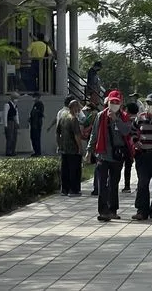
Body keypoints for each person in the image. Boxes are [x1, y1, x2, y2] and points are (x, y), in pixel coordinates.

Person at [85, 90, 134, 222]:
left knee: (114, 183)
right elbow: (94, 135)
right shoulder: (101, 116)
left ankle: (113, 209)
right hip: (102, 155)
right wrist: (89, 151)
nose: (114, 104)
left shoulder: (124, 117)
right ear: (108, 102)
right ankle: (103, 211)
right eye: (112, 102)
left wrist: (116, 119)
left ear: (121, 103)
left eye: (117, 102)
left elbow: (126, 131)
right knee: (102, 184)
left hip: (117, 156)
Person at [57, 100, 83, 196]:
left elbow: (57, 132)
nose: (79, 109)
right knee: (74, 170)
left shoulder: (62, 117)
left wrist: (59, 144)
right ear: (73, 107)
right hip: (73, 149)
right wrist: (80, 148)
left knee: (65, 169)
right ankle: (73, 190)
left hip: (64, 148)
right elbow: (77, 135)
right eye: (78, 107)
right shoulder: (74, 119)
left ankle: (64, 189)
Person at [122, 102, 140, 193]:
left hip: (127, 145)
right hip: (138, 145)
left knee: (127, 166)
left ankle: (127, 186)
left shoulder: (126, 119)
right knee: (139, 167)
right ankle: (140, 185)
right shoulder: (139, 119)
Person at [4, 92, 20, 156]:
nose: (17, 100)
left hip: (14, 122)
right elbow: (5, 115)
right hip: (9, 121)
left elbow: (16, 115)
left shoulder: (15, 106)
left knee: (14, 137)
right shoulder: (7, 105)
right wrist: (5, 125)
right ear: (13, 98)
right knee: (10, 137)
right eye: (16, 98)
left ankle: (13, 150)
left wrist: (17, 123)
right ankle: (8, 151)